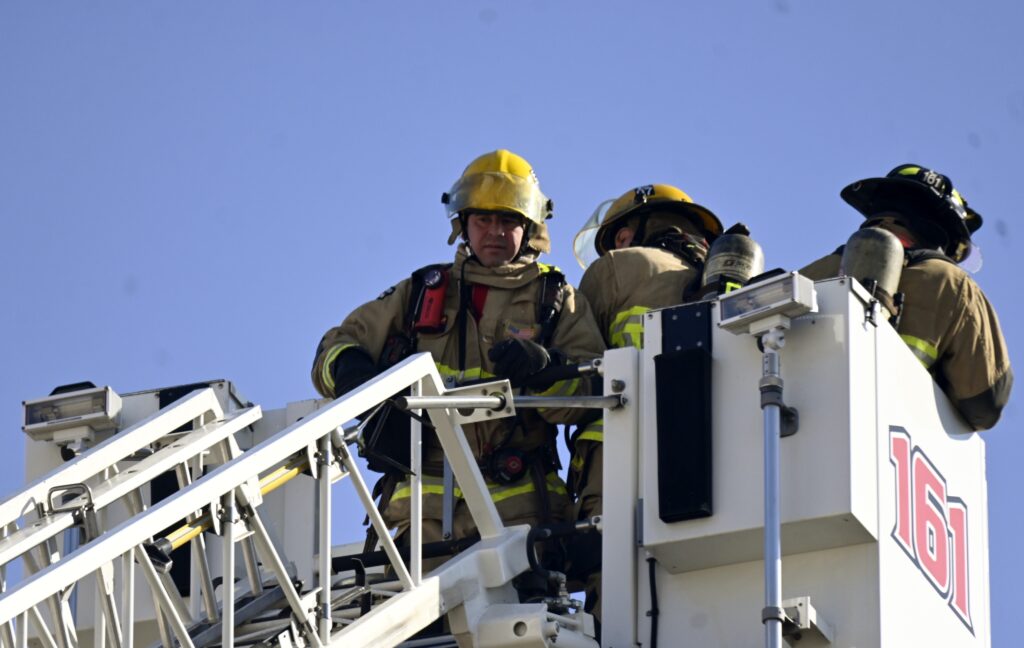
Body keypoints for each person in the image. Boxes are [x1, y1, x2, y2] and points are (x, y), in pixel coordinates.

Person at [310, 149, 605, 577]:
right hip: (422, 521)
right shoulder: (421, 291)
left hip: (520, 514)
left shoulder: (556, 298)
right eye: (483, 219)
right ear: (462, 224)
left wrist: (545, 370)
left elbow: (589, 395)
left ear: (530, 228)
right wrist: (359, 378)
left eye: (508, 221)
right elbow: (334, 347)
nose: (494, 232)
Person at [568, 183, 726, 621]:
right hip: (709, 457)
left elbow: (568, 361)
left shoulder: (618, 267)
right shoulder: (727, 284)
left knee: (613, 579)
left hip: (618, 454)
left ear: (623, 235)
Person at [801, 164, 1012, 430]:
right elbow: (985, 404)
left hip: (796, 428)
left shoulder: (814, 272)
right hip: (889, 434)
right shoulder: (951, 282)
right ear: (944, 229)